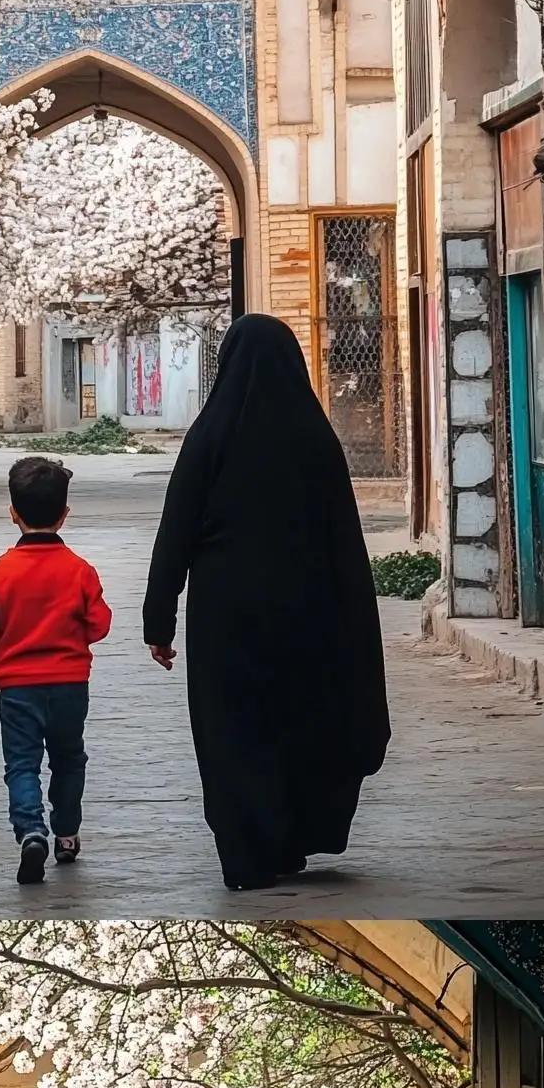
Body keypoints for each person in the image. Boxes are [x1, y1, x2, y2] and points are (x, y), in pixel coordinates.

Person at [143, 314, 392, 892]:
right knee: (301, 721)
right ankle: (290, 838)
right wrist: (356, 625)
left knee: (234, 729)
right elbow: (345, 543)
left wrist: (160, 620)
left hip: (226, 616)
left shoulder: (210, 435)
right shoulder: (314, 437)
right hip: (310, 615)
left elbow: (174, 531)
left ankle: (248, 850)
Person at [0, 455, 112, 885]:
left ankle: (31, 830)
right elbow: (99, 625)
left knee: (22, 764)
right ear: (64, 515)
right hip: (70, 685)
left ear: (13, 513)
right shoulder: (80, 571)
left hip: (17, 690)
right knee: (69, 759)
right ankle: (67, 833)